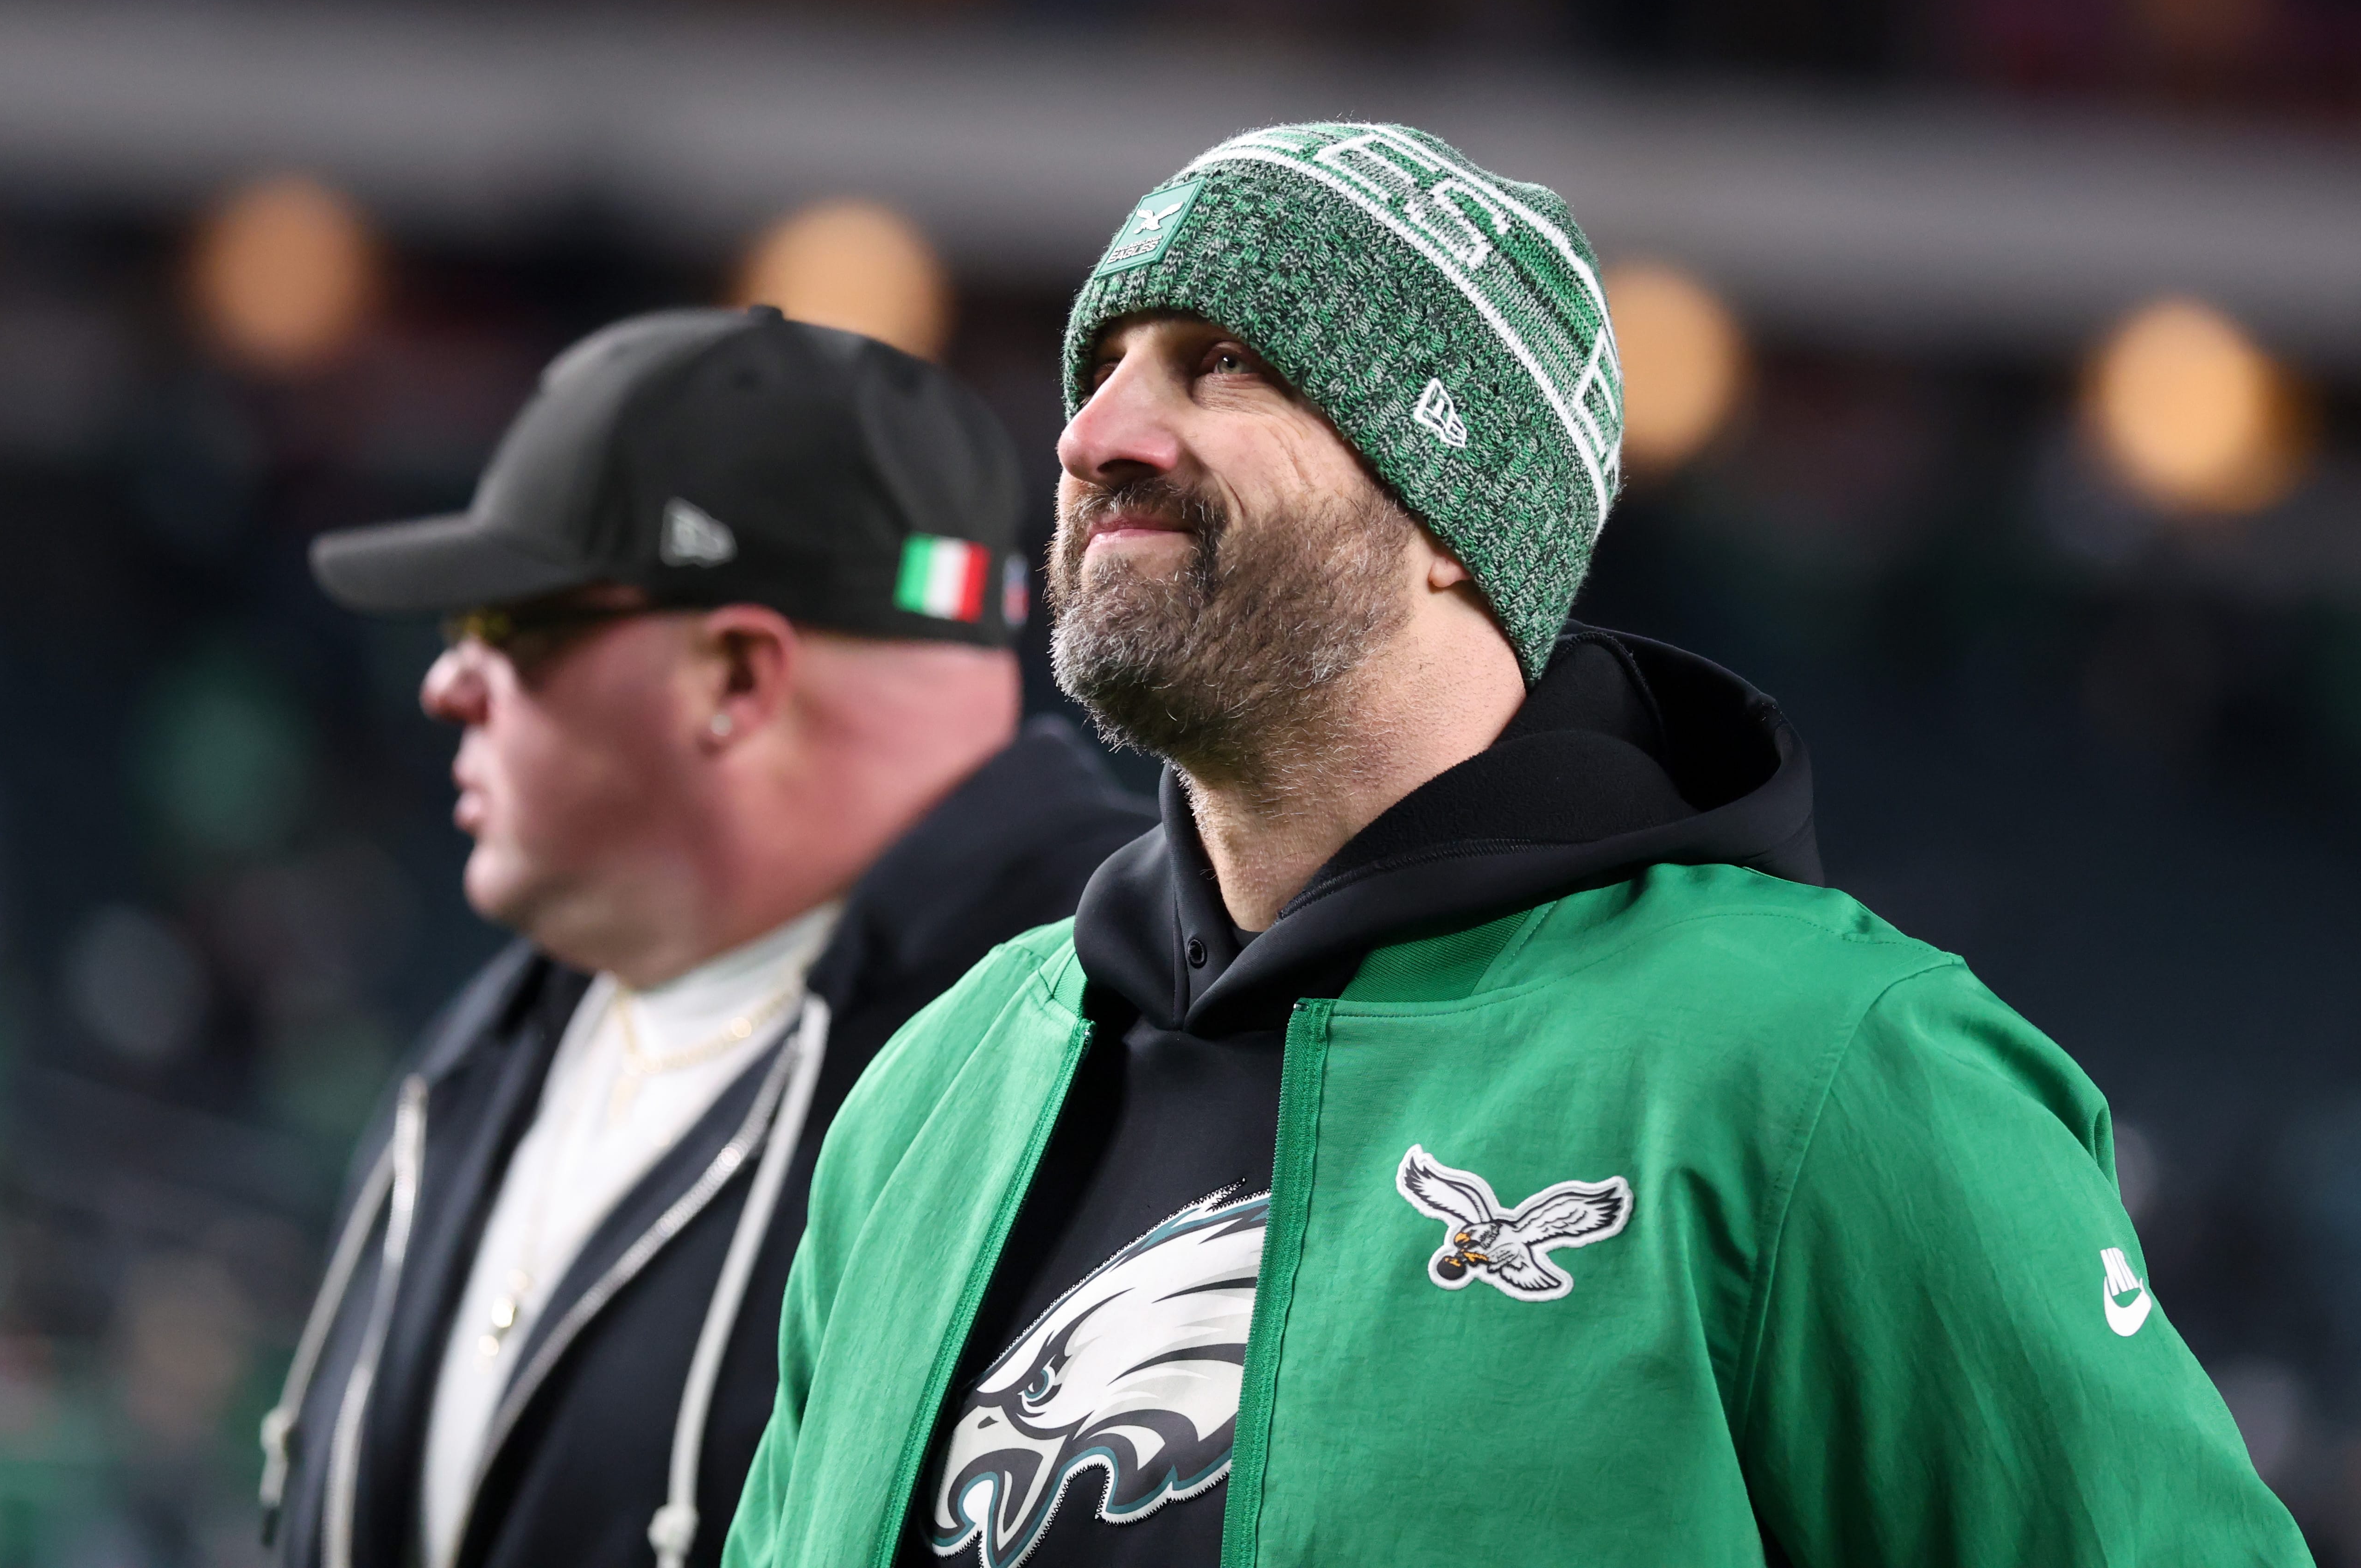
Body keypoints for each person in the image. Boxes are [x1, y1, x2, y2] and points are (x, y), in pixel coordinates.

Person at [721, 124, 2309, 1568]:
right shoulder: (937, 1087)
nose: (1096, 433)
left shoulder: (1823, 1070)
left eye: (1217, 365)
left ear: (1443, 511)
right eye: (1101, 366)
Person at [259, 306, 1153, 1568]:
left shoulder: (1117, 1046)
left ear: (737, 676)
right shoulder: (506, 1025)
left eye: (512, 626)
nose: (446, 683)